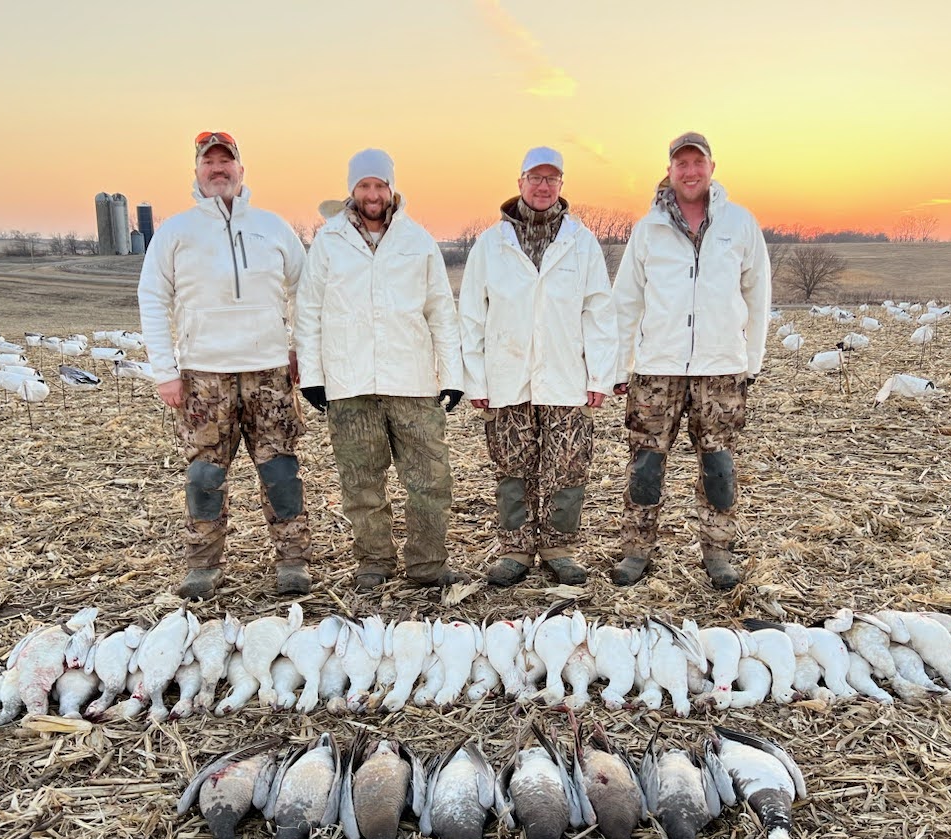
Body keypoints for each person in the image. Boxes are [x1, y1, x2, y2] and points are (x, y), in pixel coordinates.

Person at [138, 130, 311, 600]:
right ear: (196, 172)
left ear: (241, 169)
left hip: (270, 373)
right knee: (205, 475)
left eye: (225, 162)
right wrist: (165, 372)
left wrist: (300, 348)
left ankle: (292, 561)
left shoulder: (273, 228)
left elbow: (307, 290)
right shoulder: (176, 232)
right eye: (209, 163)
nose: (218, 169)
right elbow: (152, 298)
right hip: (203, 377)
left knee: (280, 471)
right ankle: (204, 565)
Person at [294, 148, 465, 591]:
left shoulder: (418, 241)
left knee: (430, 479)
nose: (373, 194)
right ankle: (374, 562)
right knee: (361, 482)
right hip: (350, 384)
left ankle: (428, 563)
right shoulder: (329, 241)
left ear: (391, 189)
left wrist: (452, 377)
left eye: (380, 185)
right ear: (352, 189)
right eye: (364, 185)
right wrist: (313, 376)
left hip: (411, 382)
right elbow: (309, 310)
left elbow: (440, 312)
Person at [610, 131, 770, 589]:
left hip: (721, 368)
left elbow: (758, 297)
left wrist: (750, 361)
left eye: (697, 162)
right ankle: (637, 551)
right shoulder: (648, 229)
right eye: (681, 164)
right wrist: (622, 366)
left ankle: (717, 552)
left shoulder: (739, 225)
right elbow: (626, 302)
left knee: (718, 465)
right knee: (645, 466)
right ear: (670, 170)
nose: (690, 171)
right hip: (657, 368)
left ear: (711, 168)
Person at [459, 146, 616, 587]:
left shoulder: (581, 243)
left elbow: (599, 312)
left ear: (561, 185)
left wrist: (599, 374)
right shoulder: (491, 244)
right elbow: (471, 314)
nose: (544, 186)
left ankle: (559, 547)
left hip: (566, 375)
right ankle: (515, 549)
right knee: (512, 466)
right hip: (507, 375)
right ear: (520, 182)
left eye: (553, 178)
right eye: (536, 177)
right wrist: (475, 377)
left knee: (568, 464)